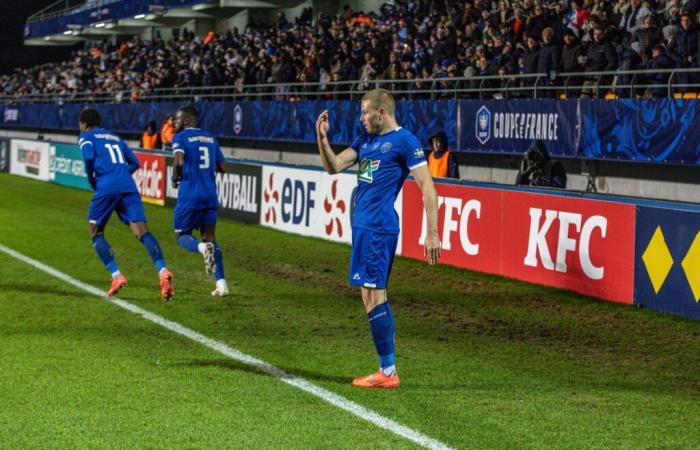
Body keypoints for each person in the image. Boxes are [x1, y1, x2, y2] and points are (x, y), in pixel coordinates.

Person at [315, 89, 441, 389]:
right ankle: (387, 368)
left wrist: (432, 232)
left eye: (365, 113)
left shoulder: (405, 142)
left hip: (378, 229)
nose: (361, 118)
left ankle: (388, 371)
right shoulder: (365, 141)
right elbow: (333, 166)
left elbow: (428, 188)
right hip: (364, 229)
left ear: (381, 113)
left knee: (374, 294)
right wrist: (322, 139)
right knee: (370, 294)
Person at [78, 107, 174, 301]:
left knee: (95, 232)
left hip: (105, 185)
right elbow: (135, 163)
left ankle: (116, 275)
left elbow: (88, 157)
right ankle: (162, 270)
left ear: (84, 124)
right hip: (128, 186)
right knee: (142, 232)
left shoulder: (86, 137)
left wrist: (92, 179)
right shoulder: (114, 137)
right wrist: (120, 174)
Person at [171, 106, 229, 297]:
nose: (174, 123)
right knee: (211, 238)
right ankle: (221, 284)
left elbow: (178, 161)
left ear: (187, 120)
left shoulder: (180, 137)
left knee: (181, 236)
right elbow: (223, 167)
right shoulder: (211, 138)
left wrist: (174, 178)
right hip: (210, 195)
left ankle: (201, 248)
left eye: (177, 119)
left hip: (190, 195)